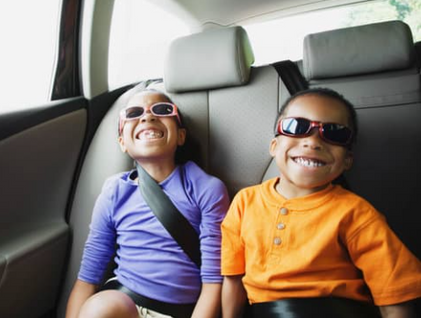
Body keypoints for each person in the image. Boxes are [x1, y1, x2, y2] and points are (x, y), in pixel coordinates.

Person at [221, 88, 421, 318]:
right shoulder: (245, 202)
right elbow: (233, 278)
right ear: (274, 146)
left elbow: (394, 297)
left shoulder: (356, 213)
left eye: (334, 133)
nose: (313, 141)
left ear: (347, 160)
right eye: (297, 127)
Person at [66, 89, 229, 318]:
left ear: (181, 136)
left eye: (162, 110)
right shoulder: (114, 191)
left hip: (180, 311)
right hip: (123, 305)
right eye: (134, 113)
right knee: (99, 308)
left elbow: (213, 281)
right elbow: (88, 279)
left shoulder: (207, 189)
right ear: (123, 142)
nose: (147, 117)